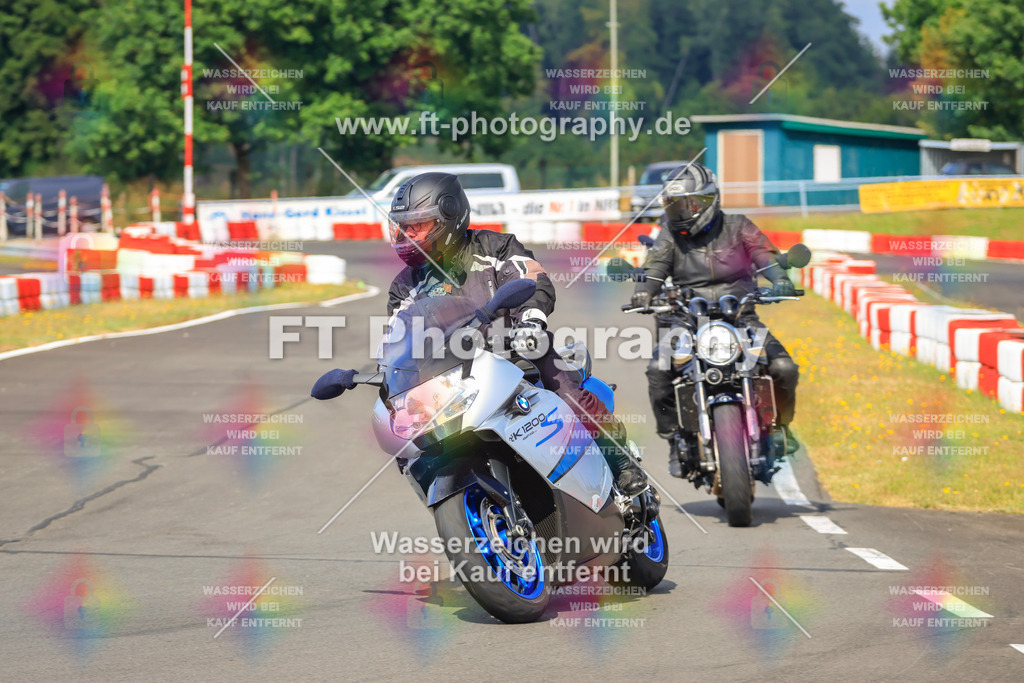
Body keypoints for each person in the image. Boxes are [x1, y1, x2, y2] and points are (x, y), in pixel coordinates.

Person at [385, 172, 649, 495]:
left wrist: (530, 322)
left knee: (569, 398)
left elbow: (535, 280)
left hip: (518, 352)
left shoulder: (495, 248)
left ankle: (621, 462)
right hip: (455, 375)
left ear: (448, 217)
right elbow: (398, 338)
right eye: (404, 226)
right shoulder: (404, 286)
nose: (408, 235)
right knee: (410, 442)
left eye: (418, 225)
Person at [630, 163, 800, 477]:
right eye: (675, 205)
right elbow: (654, 266)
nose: (682, 211)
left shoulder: (739, 226)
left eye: (690, 204)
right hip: (686, 320)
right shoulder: (670, 234)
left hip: (741, 317)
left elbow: (765, 255)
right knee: (658, 369)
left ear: (710, 200)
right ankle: (674, 438)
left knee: (784, 367)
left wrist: (780, 279)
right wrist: (644, 292)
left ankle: (780, 428)